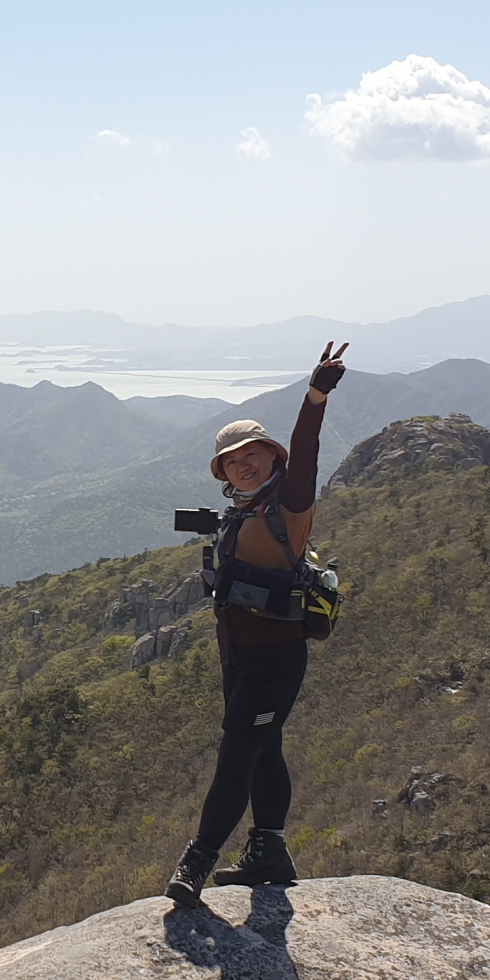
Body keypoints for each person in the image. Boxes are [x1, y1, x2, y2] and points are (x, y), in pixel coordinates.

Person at [168, 342, 346, 908]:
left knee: (238, 753)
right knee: (265, 749)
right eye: (232, 461)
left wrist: (314, 397)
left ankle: (198, 858)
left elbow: (307, 454)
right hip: (239, 658)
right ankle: (269, 851)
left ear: (272, 455)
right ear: (223, 473)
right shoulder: (240, 512)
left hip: (276, 658)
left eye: (253, 454)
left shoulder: (289, 506)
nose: (244, 465)